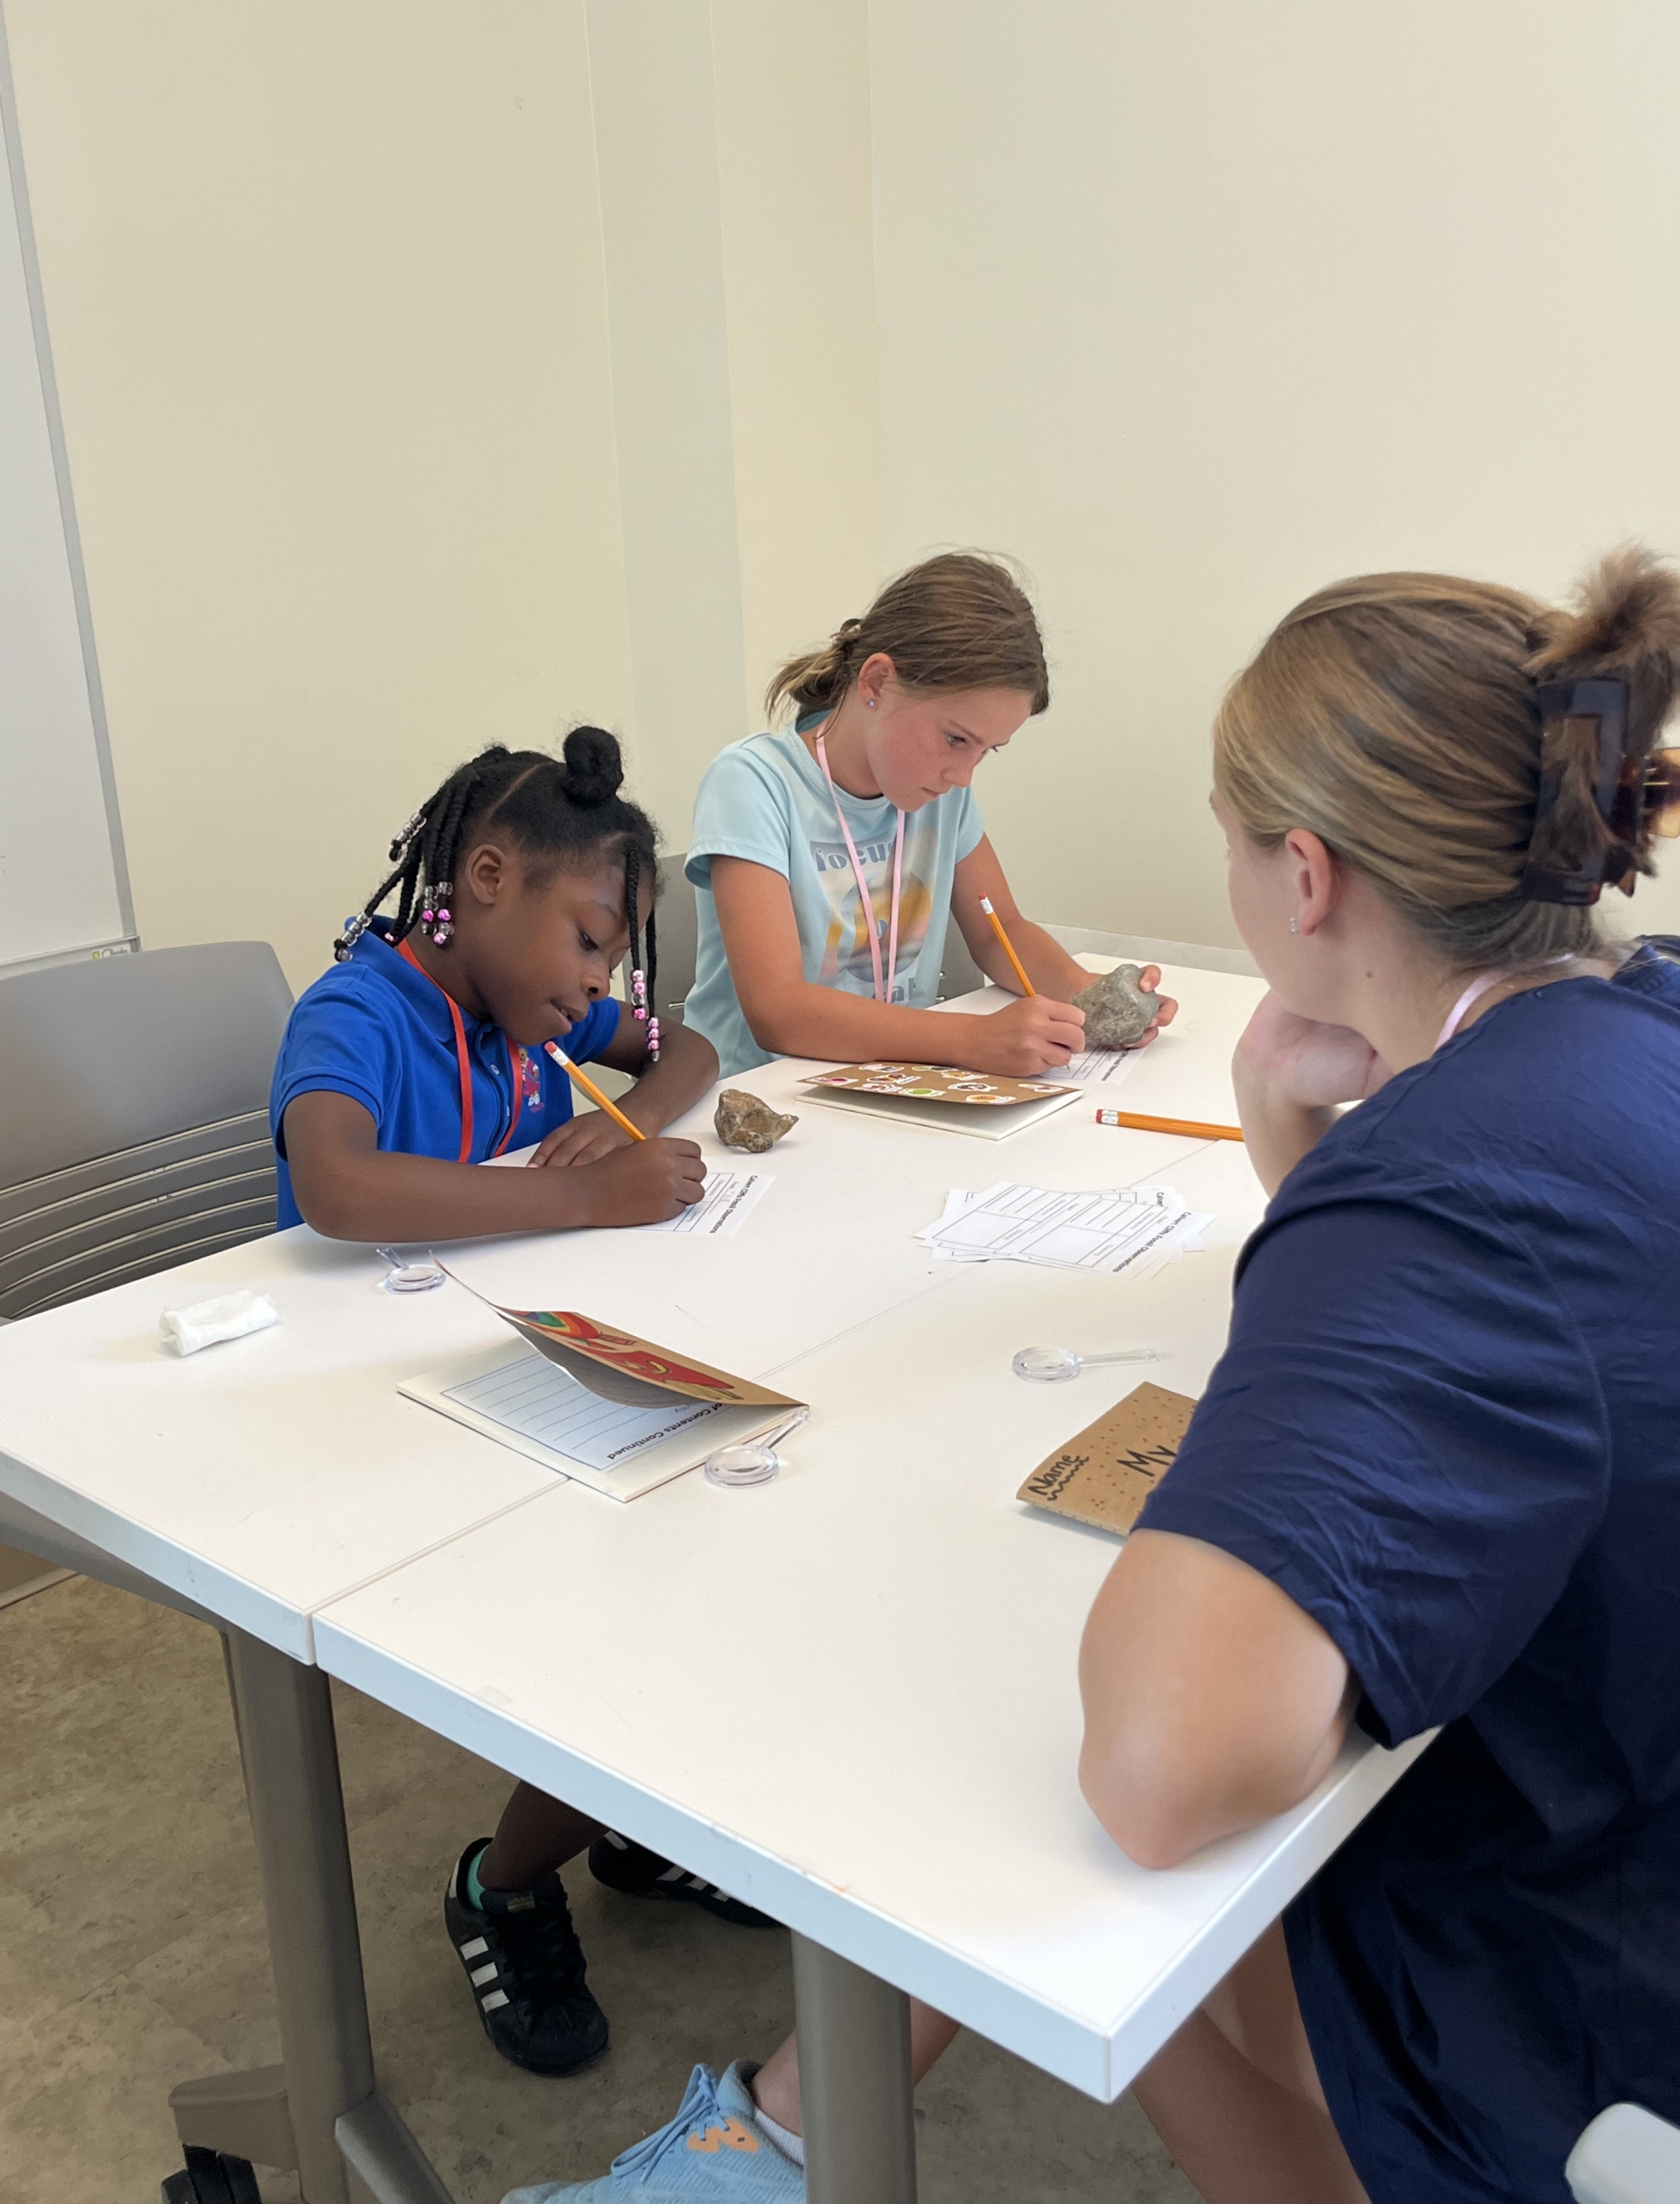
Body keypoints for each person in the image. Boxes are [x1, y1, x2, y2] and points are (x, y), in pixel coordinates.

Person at [511, 548, 1680, 2202]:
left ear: (1306, 875)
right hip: (1632, 1799)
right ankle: (775, 2124)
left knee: (1085, 1869)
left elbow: (1161, 1767)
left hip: (1593, 2002)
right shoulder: (1649, 1018)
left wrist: (1328, 1189)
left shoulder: (1441, 1186)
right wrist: (1294, 1161)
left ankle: (775, 2139)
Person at [272, 730, 778, 2085]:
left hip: (516, 1370)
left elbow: (696, 1041)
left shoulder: (528, 1008)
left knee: (718, 1519)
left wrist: (644, 1122)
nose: (600, 986)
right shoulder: (356, 1014)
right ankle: (505, 1880)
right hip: (375, 1420)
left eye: (614, 962)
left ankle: (626, 1825)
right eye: (590, 942)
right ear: (486, 876)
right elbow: (341, 1187)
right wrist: (581, 1193)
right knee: (650, 1602)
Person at [682, 550, 1175, 1079]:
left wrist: (1091, 999)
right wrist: (973, 1038)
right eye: (955, 739)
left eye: (987, 750)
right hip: (761, 1097)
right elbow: (779, 1013)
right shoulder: (753, 783)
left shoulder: (942, 796)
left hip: (891, 1079)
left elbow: (999, 930)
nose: (963, 776)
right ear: (876, 683)